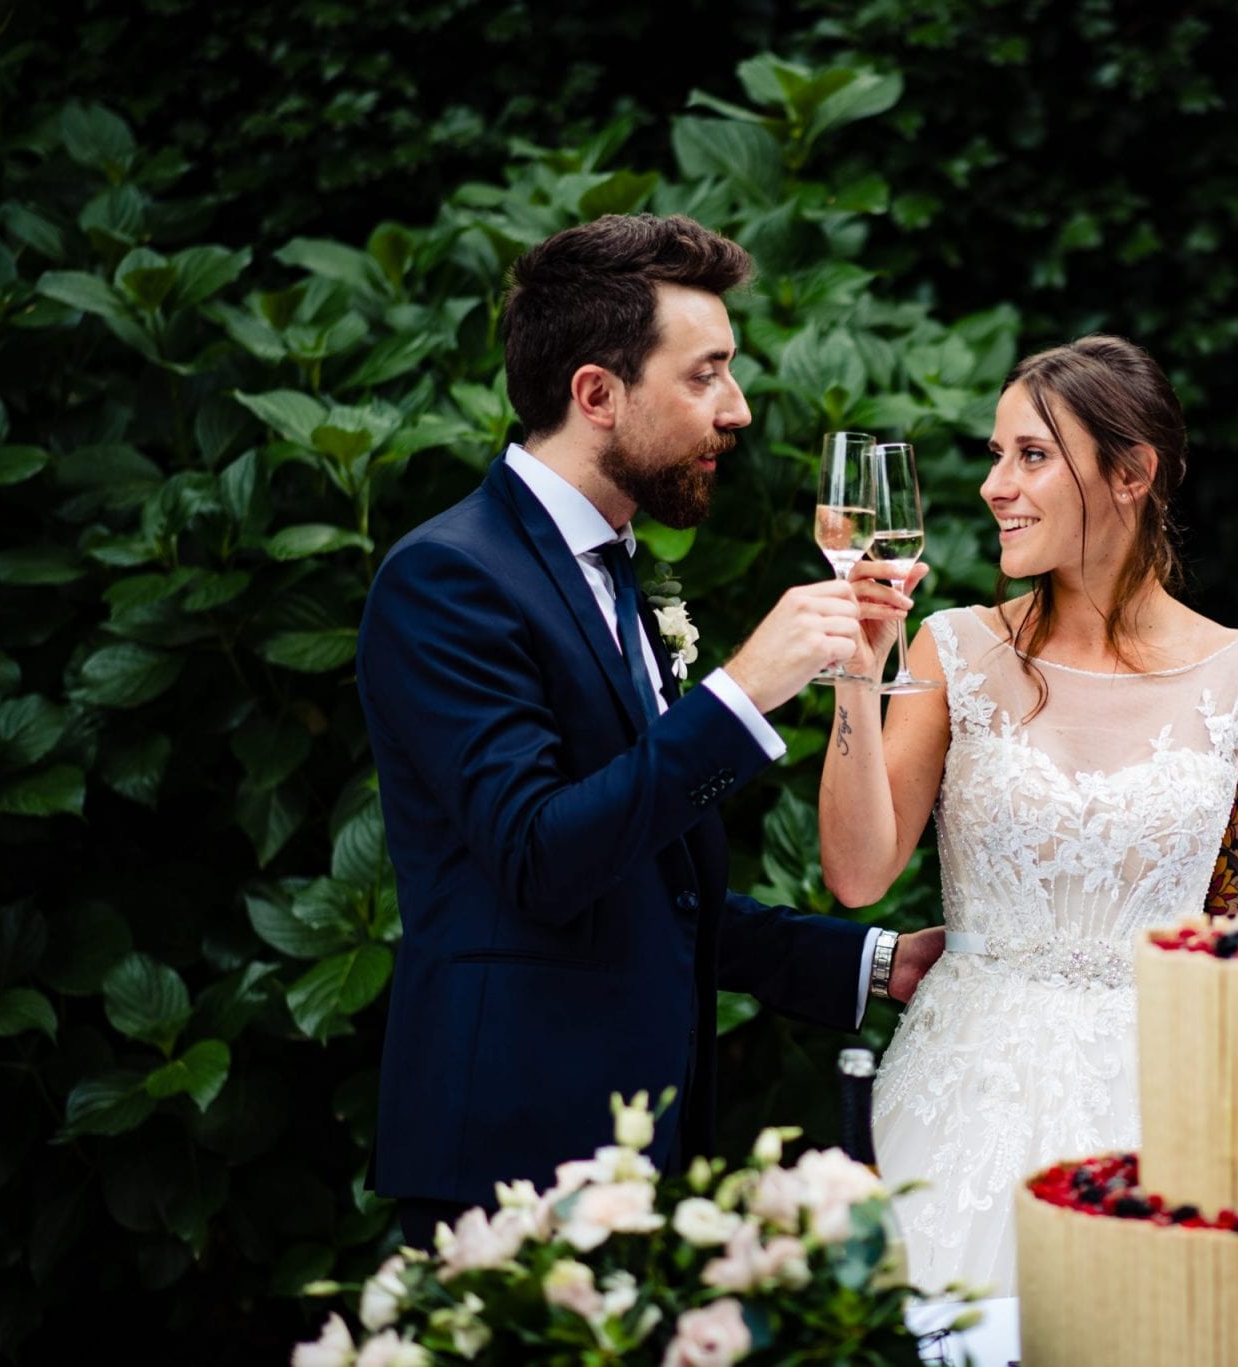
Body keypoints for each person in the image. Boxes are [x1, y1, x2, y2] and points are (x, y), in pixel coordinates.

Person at [357, 213, 941, 1250]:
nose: (740, 410)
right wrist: (741, 692)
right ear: (596, 394)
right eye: (705, 375)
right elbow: (541, 854)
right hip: (509, 1164)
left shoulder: (619, 574)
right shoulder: (444, 579)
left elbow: (656, 885)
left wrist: (872, 961)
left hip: (640, 1155)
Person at [817, 335, 1238, 1293]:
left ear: (1131, 474)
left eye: (1031, 455)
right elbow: (857, 873)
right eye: (996, 455)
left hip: (1166, 1103)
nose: (995, 486)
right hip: (959, 1100)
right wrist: (859, 673)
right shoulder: (953, 651)